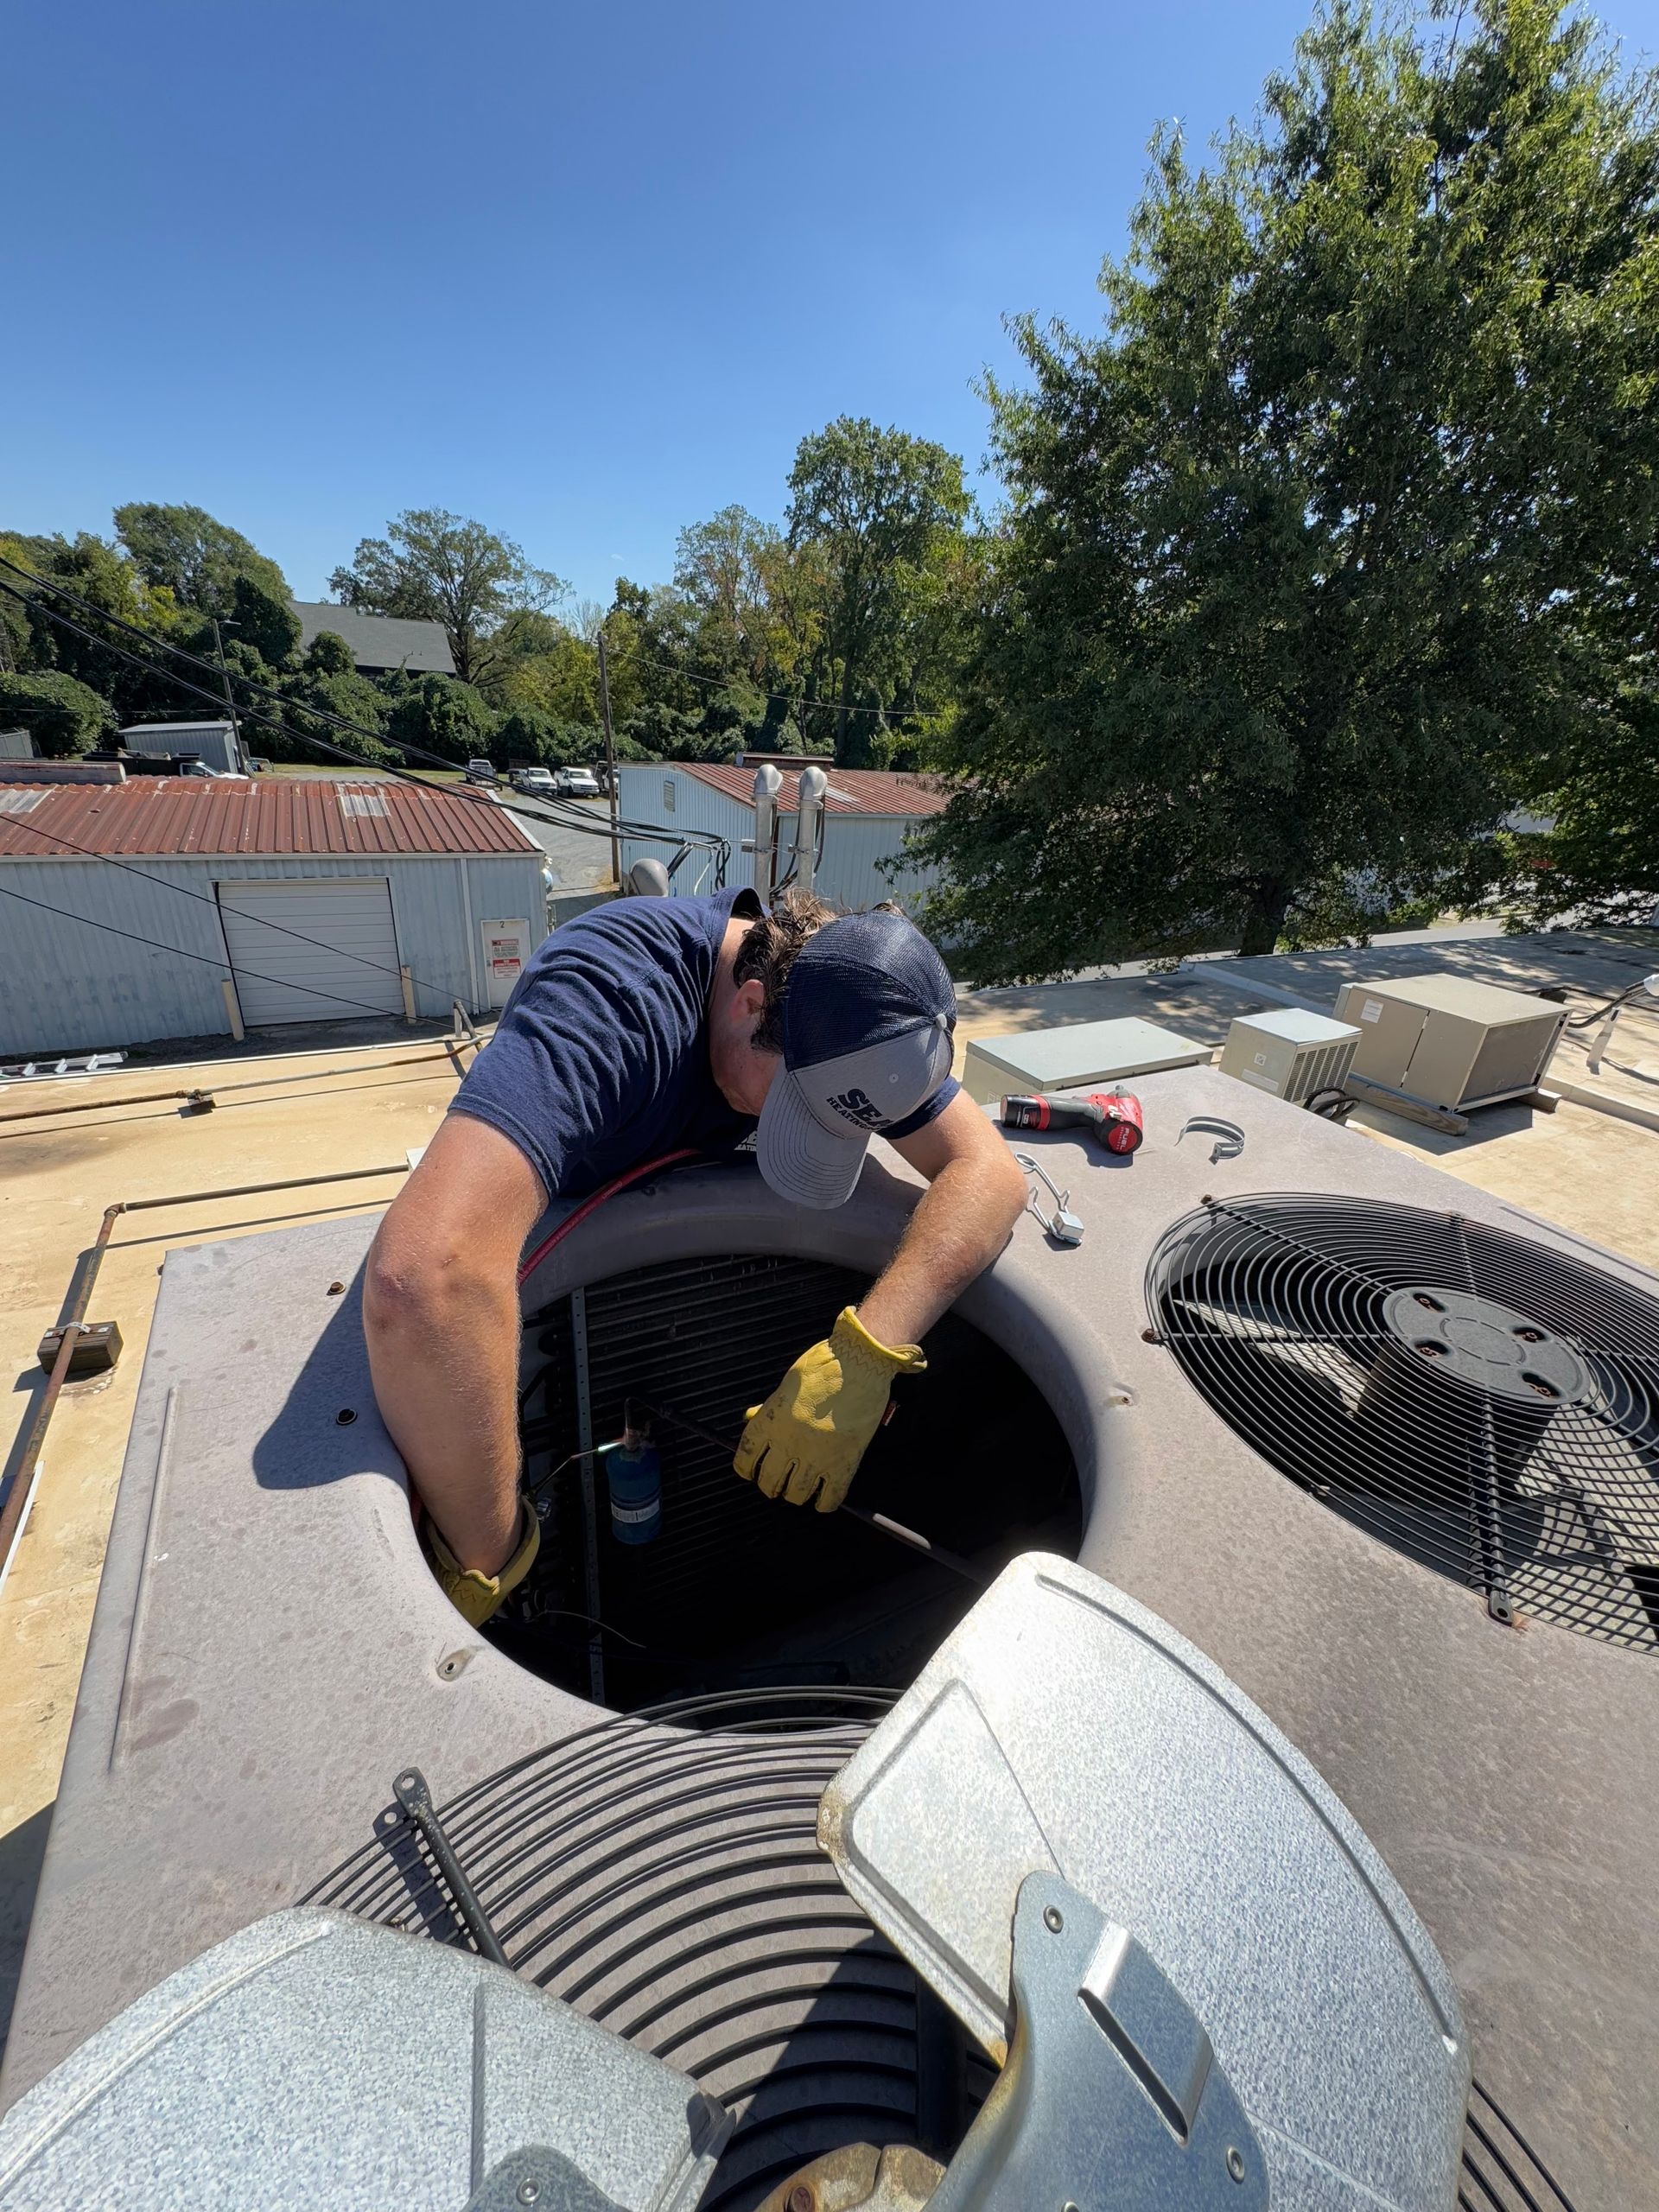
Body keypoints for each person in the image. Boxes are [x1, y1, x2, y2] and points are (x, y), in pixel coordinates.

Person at [363, 885, 1027, 1624]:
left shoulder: (857, 1003)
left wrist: (868, 1353)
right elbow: (423, 1280)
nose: (806, 1134)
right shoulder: (611, 1003)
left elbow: (991, 1175)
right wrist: (492, 1556)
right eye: (791, 1110)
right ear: (749, 1002)